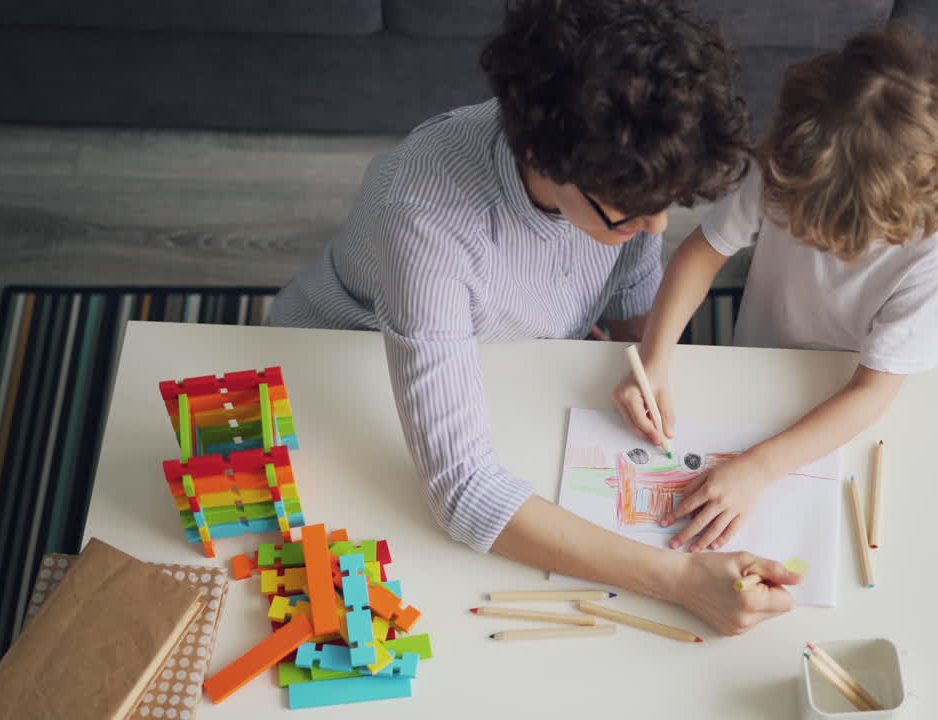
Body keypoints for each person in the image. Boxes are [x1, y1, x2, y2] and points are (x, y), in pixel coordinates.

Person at [273, 0, 801, 635]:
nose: (656, 227)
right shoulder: (424, 219)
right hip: (347, 366)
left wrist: (653, 360)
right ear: (540, 157)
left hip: (515, 359)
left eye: (666, 205)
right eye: (629, 212)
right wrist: (681, 581)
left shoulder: (623, 164)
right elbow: (462, 493)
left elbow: (631, 279)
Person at [615, 22, 938, 553]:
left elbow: (871, 392)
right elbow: (701, 254)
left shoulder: (931, 263)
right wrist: (655, 357)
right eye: (796, 219)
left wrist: (760, 468)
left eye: (832, 236)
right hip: (757, 353)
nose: (808, 238)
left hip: (841, 399)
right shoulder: (785, 173)